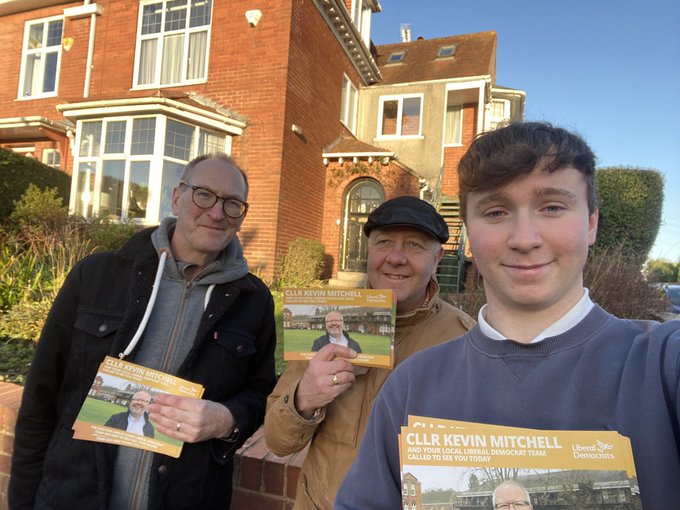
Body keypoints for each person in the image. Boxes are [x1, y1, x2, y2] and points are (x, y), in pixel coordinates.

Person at [335, 122, 680, 510]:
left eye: (552, 207)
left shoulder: (663, 364)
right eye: (496, 212)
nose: (524, 239)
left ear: (591, 223)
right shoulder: (411, 385)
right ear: (468, 236)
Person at [10, 154, 277, 510]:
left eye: (232, 203)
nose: (217, 212)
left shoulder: (253, 300)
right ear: (177, 197)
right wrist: (23, 499)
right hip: (73, 496)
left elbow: (260, 393)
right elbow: (40, 397)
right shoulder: (97, 275)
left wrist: (226, 419)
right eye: (204, 195)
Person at [265, 195, 475, 509]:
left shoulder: (465, 342)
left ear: (437, 259)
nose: (395, 257)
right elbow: (277, 442)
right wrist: (303, 398)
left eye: (415, 245)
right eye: (384, 242)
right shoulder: (327, 320)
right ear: (369, 251)